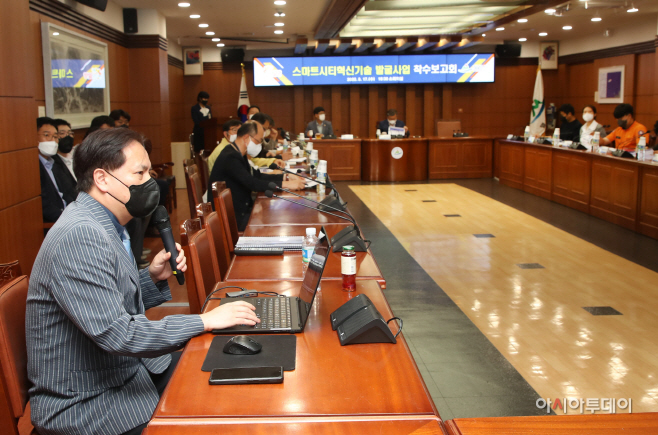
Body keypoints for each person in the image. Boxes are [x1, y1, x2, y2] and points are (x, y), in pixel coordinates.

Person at [26, 128, 260, 435]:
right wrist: (204, 321)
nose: (150, 182)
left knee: (228, 369)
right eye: (140, 173)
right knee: (216, 407)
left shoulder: (102, 222)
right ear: (103, 179)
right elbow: (118, 334)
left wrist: (150, 277)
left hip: (122, 374)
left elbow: (106, 298)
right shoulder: (79, 234)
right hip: (89, 403)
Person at [207, 121, 305, 230]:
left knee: (277, 214)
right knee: (276, 221)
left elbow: (257, 175)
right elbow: (252, 183)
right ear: (246, 138)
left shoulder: (239, 153)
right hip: (233, 218)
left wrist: (285, 177)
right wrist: (287, 185)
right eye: (259, 141)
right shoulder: (230, 157)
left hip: (241, 209)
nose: (259, 145)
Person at [37, 117, 68, 224]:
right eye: (46, 135)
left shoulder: (55, 161)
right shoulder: (32, 167)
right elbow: (42, 204)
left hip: (68, 214)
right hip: (54, 223)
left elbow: (69, 191)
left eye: (55, 136)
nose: (52, 140)